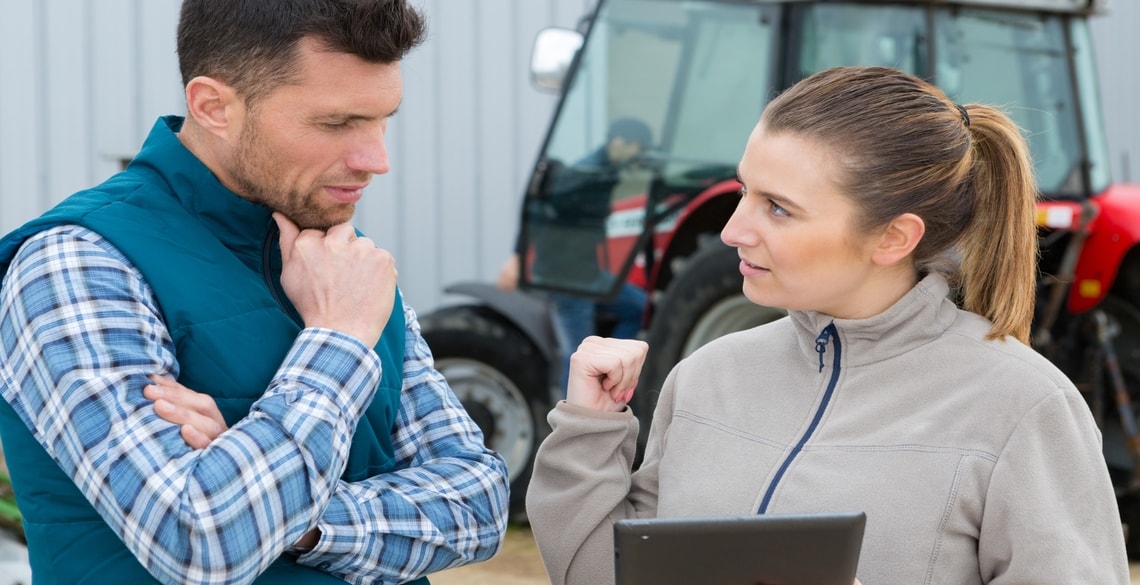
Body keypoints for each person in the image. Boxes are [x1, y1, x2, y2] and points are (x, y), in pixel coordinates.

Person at [525, 66, 1130, 585]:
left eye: (778, 207)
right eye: (745, 191)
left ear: (894, 237)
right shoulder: (706, 377)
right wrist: (589, 429)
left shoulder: (1024, 407)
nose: (733, 230)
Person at [0, 1, 508, 584]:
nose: (377, 160)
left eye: (382, 118)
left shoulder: (344, 263)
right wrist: (337, 340)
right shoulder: (77, 263)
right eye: (336, 124)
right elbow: (200, 539)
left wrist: (300, 519)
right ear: (213, 106)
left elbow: (480, 503)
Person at [498, 118, 652, 392]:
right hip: (567, 280)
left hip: (589, 274)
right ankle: (573, 413)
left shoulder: (607, 170)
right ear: (619, 143)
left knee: (640, 307)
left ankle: (615, 368)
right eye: (636, 150)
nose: (637, 157)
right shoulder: (585, 175)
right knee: (579, 355)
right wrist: (516, 257)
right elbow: (537, 210)